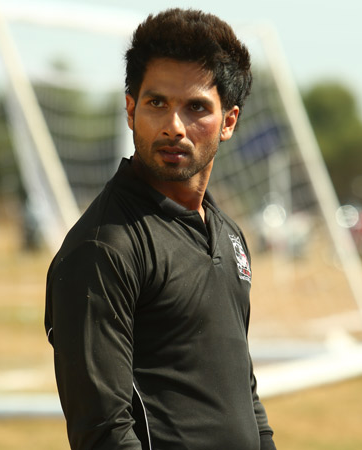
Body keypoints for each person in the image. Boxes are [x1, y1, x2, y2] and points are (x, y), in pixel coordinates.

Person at [45, 8, 277, 450]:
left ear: (228, 121)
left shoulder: (227, 233)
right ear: (131, 110)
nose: (174, 126)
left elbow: (242, 390)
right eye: (157, 104)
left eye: (196, 108)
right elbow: (104, 433)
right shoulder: (104, 248)